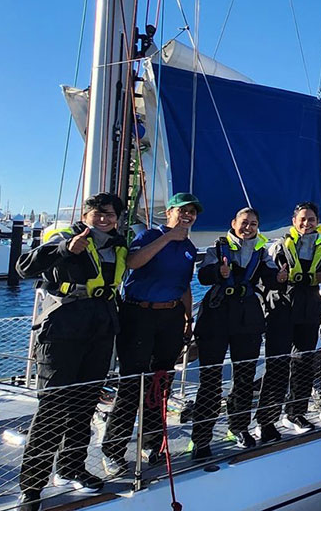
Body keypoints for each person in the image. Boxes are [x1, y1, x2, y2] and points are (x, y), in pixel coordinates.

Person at [13, 191, 126, 509]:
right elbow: (24, 267)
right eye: (97, 213)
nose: (104, 219)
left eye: (110, 214)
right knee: (52, 407)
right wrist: (64, 249)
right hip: (62, 329)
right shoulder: (66, 236)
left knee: (84, 403)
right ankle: (32, 486)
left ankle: (72, 466)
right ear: (86, 214)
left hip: (100, 330)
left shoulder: (118, 245)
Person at [101, 192, 201, 474]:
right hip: (139, 314)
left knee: (160, 384)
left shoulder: (190, 248)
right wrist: (168, 238)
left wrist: (188, 319)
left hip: (170, 317)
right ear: (169, 212)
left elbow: (184, 286)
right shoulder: (149, 235)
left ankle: (152, 443)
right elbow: (133, 263)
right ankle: (113, 450)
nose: (188, 216)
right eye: (183, 210)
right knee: (132, 384)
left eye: (192, 212)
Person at [190, 206, 268, 457]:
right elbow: (202, 275)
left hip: (247, 320)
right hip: (217, 317)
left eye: (253, 224)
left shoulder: (261, 251)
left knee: (244, 376)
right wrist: (217, 272)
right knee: (210, 380)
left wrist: (281, 276)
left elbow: (271, 276)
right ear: (234, 223)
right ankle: (201, 438)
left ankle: (239, 427)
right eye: (244, 223)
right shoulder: (218, 248)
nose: (248, 228)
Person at [254, 201, 321, 437]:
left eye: (312, 220)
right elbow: (264, 277)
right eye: (303, 219)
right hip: (283, 309)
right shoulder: (278, 247)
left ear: (317, 222)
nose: (307, 224)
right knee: (277, 364)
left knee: (304, 362)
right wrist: (278, 278)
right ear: (294, 221)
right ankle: (265, 420)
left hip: (309, 309)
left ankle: (296, 412)